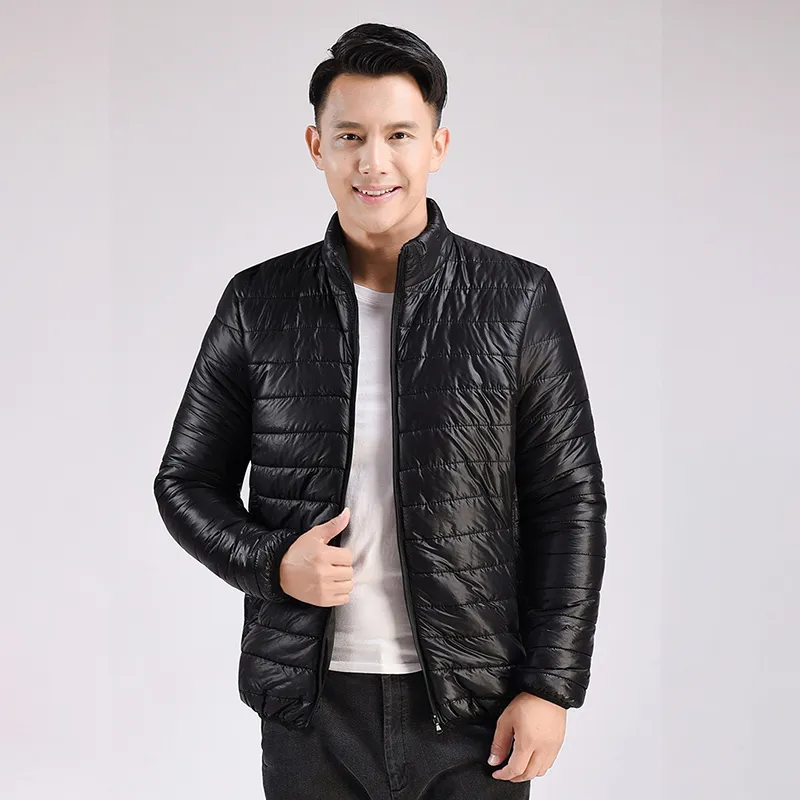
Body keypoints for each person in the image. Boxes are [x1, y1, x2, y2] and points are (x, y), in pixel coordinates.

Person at [154, 21, 607, 800]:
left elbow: (568, 500)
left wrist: (550, 686)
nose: (374, 161)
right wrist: (272, 562)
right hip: (311, 708)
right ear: (316, 145)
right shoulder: (259, 303)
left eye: (399, 134)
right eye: (350, 136)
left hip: (474, 705)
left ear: (437, 145)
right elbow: (184, 482)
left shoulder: (515, 300)